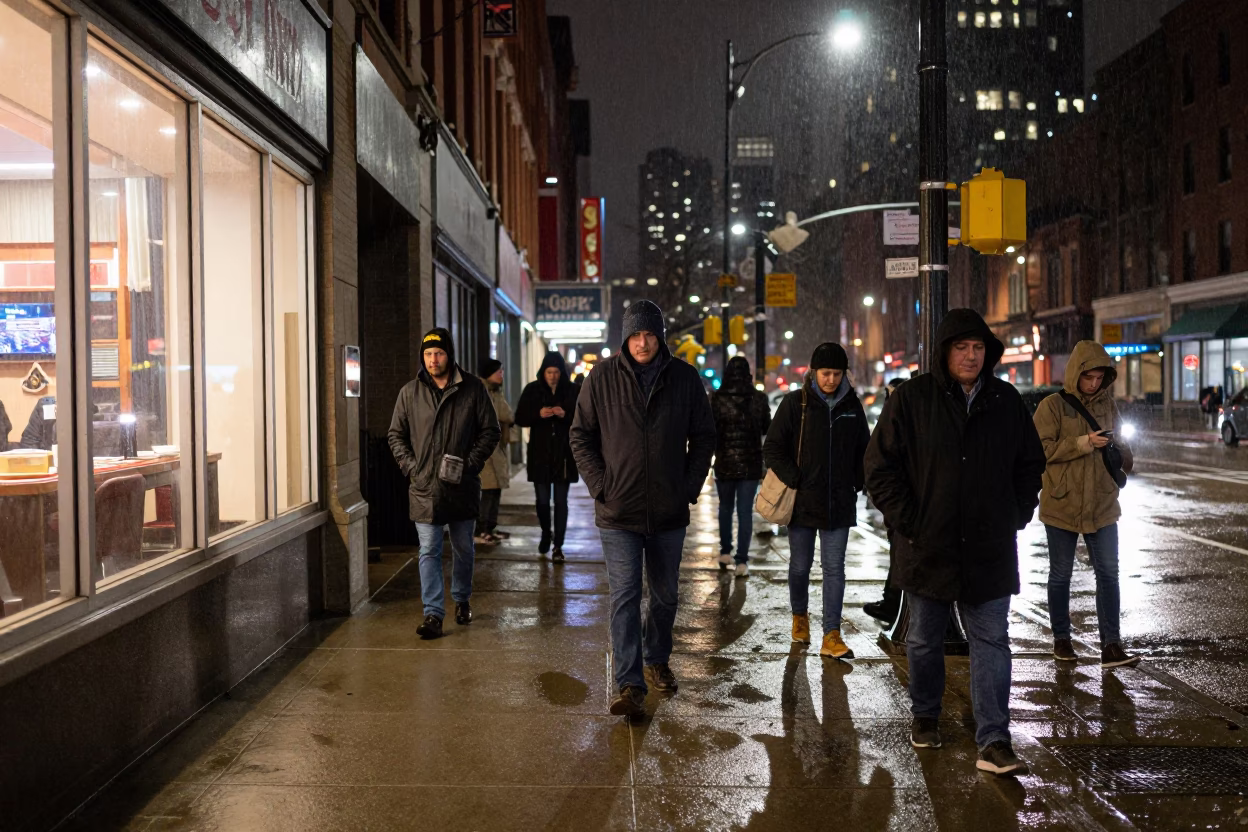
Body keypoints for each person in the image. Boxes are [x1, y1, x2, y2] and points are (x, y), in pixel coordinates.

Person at [865, 308, 1044, 777]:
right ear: (945, 351)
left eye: (978, 348)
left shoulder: (1005, 401)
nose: (970, 356)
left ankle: (994, 738)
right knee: (924, 640)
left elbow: (1030, 465)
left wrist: (1017, 513)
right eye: (961, 347)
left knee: (992, 639)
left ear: (989, 353)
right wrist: (910, 520)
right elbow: (879, 468)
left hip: (989, 545)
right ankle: (925, 715)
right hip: (929, 544)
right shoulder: (912, 400)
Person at [570, 300, 716, 717]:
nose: (642, 343)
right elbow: (580, 436)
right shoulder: (601, 378)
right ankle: (629, 683)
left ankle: (656, 657)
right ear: (625, 338)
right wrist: (601, 485)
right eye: (635, 335)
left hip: (669, 510)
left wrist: (688, 486)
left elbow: (704, 436)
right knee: (626, 596)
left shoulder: (684, 379)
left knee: (666, 596)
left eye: (649, 334)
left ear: (661, 337)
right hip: (619, 511)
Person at [388, 327, 500, 640]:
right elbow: (395, 434)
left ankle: (462, 599)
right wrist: (411, 467)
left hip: (461, 487)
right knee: (429, 550)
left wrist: (471, 463)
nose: (433, 359)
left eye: (438, 353)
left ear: (449, 355)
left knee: (463, 549)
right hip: (424, 487)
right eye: (428, 354)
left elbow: (490, 431)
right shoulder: (410, 392)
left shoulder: (473, 389)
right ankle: (433, 613)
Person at [1033, 340, 1139, 668]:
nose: (1093, 383)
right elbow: (1042, 450)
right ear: (1076, 373)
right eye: (1088, 377)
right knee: (1061, 574)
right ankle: (1062, 640)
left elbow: (1121, 442)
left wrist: (1122, 454)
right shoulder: (1052, 406)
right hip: (1061, 502)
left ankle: (1111, 645)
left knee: (1109, 573)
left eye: (1099, 378)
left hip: (1102, 503)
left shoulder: (1109, 405)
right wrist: (1084, 443)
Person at [764, 343, 869, 660]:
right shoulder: (796, 404)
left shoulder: (851, 405)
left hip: (839, 502)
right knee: (799, 566)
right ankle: (800, 615)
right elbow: (773, 447)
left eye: (837, 374)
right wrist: (793, 477)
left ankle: (832, 634)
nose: (832, 380)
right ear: (813, 372)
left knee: (834, 569)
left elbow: (865, 449)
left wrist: (858, 481)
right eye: (826, 373)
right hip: (803, 502)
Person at [514, 351, 580, 561]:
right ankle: (545, 532)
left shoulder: (572, 391)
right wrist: (538, 414)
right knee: (542, 501)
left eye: (556, 372)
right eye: (549, 372)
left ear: (562, 373)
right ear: (543, 372)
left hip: (563, 455)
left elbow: (585, 419)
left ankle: (558, 546)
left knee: (561, 501)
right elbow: (520, 417)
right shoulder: (533, 390)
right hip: (539, 455)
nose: (552, 376)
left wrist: (565, 415)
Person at [710, 355, 771, 578]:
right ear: (748, 374)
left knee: (725, 508)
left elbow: (710, 430)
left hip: (725, 462)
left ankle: (725, 551)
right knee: (745, 512)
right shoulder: (759, 399)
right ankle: (742, 561)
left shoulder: (717, 399)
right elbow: (767, 429)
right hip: (750, 463)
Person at [864, 376, 909, 624]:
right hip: (899, 501)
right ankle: (892, 601)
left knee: (901, 553)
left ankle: (893, 602)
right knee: (897, 551)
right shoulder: (895, 411)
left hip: (904, 501)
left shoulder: (903, 411)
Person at [475, 358, 513, 545]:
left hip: (496, 449)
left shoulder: (495, 391)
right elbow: (499, 415)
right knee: (486, 491)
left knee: (495, 489)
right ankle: (481, 530)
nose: (502, 375)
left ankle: (490, 527)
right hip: (484, 450)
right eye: (499, 371)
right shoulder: (481, 392)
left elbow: (508, 414)